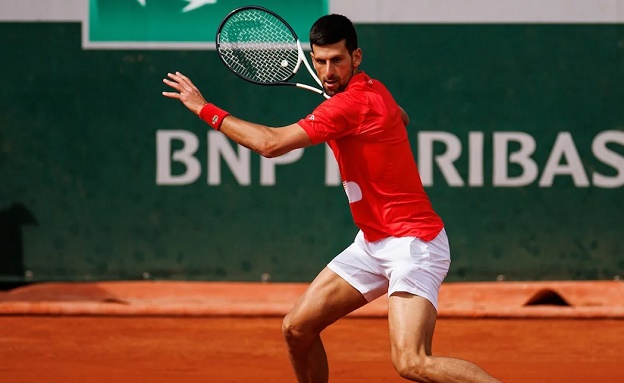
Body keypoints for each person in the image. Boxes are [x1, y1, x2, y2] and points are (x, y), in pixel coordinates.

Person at [162, 13, 502, 383]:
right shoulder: (375, 90)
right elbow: (401, 117)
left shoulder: (347, 106)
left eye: (337, 60)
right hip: (372, 243)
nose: (327, 71)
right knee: (297, 329)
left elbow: (270, 144)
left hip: (413, 244)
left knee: (412, 362)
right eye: (320, 61)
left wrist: (203, 109)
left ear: (356, 57)